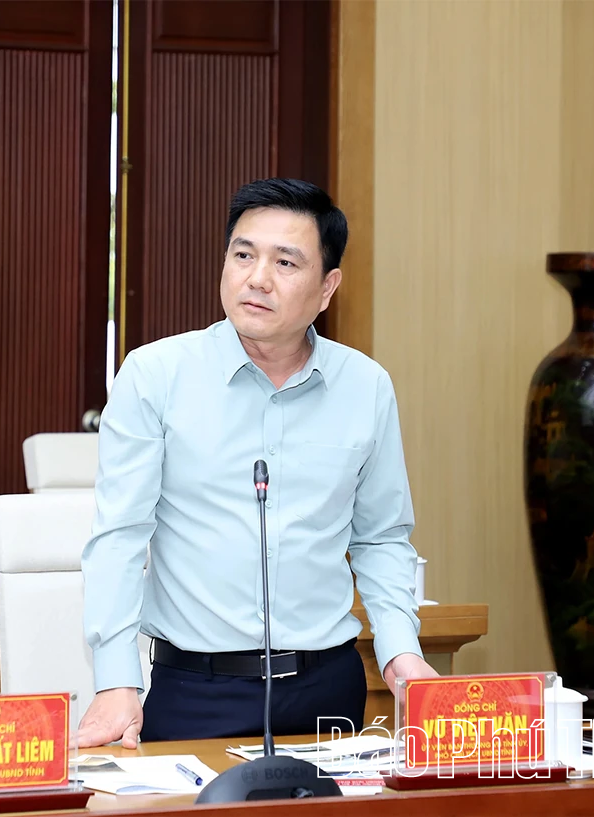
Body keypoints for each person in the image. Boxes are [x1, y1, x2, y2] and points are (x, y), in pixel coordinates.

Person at [76, 178, 438, 749]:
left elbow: (381, 537)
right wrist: (117, 679)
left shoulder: (365, 386)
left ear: (327, 287)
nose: (258, 278)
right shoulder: (155, 376)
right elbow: (119, 536)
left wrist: (401, 653)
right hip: (195, 689)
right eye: (243, 255)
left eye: (286, 262)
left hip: (328, 689)